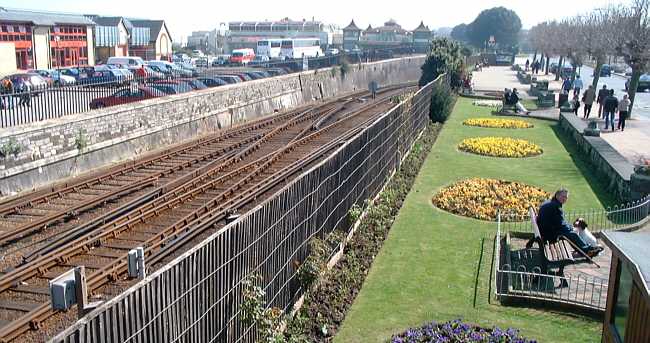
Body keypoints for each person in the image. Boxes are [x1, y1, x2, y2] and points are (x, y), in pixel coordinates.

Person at [536, 189, 602, 257]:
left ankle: (587, 249)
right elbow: (560, 224)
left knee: (571, 233)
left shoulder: (551, 202)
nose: (564, 199)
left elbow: (560, 222)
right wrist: (570, 229)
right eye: (563, 196)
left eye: (566, 197)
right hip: (549, 233)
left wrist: (570, 227)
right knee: (572, 234)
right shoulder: (555, 206)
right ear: (557, 196)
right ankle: (587, 251)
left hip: (545, 230)